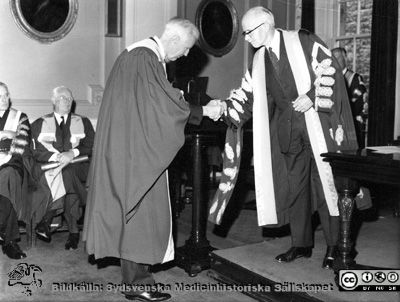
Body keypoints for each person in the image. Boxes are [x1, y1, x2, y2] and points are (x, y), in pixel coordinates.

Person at [82, 18, 223, 301]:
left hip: (128, 147)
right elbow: (163, 106)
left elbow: (154, 100)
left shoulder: (137, 55)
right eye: (185, 48)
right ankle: (138, 284)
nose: (184, 55)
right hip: (137, 153)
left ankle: (135, 281)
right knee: (142, 214)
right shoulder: (145, 57)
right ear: (172, 40)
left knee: (134, 214)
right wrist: (203, 111)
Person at [208, 7, 359, 270]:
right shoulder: (258, 60)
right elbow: (247, 94)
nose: (246, 38)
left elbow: (331, 69)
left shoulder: (303, 40)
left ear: (265, 25)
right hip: (288, 133)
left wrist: (311, 96)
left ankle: (335, 245)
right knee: (295, 187)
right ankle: (301, 243)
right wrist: (223, 108)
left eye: (248, 32)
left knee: (326, 186)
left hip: (317, 127)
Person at [31, 86, 95, 250]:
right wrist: (56, 157)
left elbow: (91, 146)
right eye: (62, 98)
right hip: (50, 168)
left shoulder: (83, 121)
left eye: (69, 98)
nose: (67, 101)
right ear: (53, 101)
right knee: (67, 176)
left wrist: (72, 153)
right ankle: (73, 232)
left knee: (68, 171)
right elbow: (34, 151)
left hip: (79, 165)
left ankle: (49, 217)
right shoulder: (41, 123)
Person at [0, 82, 31, 259]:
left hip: (13, 161)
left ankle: (8, 238)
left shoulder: (20, 116)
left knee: (7, 175)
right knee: (4, 188)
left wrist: (10, 134)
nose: (4, 99)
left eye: (6, 95)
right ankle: (9, 240)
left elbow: (23, 142)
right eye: (0, 96)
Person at [332, 47, 368, 148]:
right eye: (332, 58)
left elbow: (357, 104)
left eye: (337, 58)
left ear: (345, 59)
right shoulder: (330, 79)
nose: (334, 61)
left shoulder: (354, 78)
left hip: (351, 126)